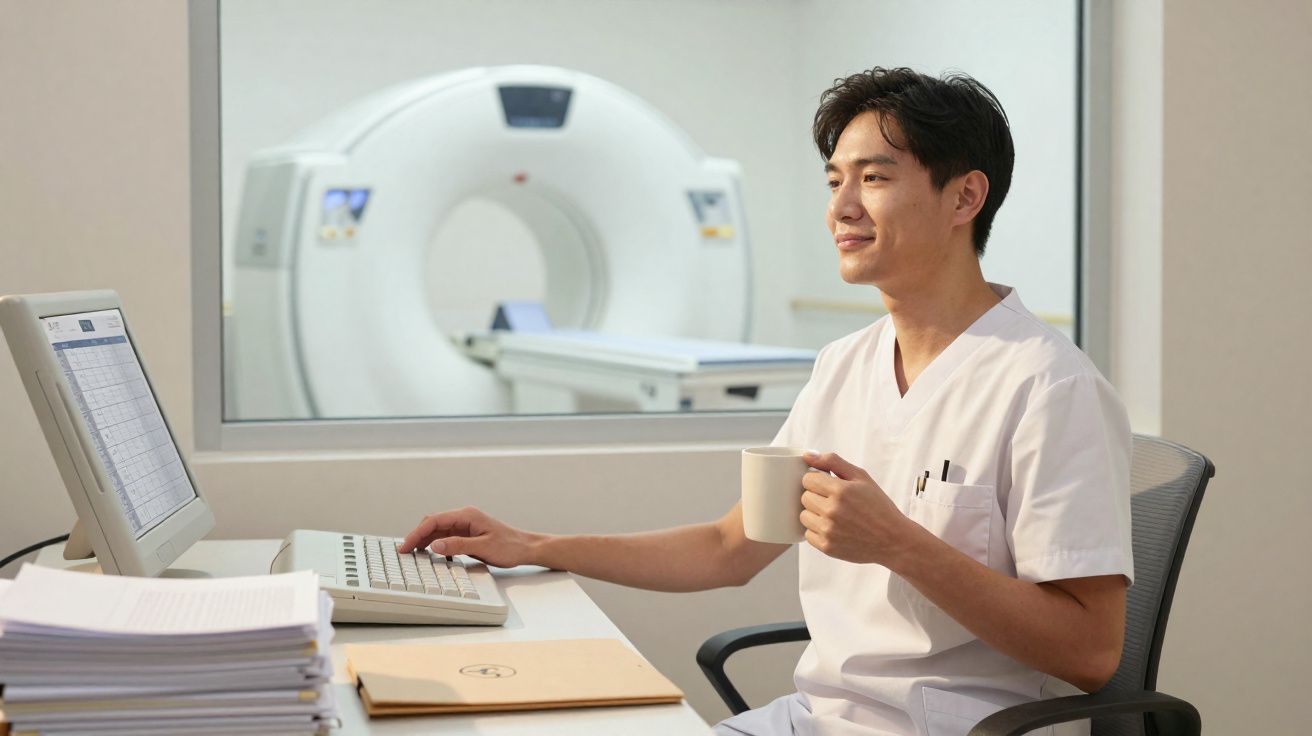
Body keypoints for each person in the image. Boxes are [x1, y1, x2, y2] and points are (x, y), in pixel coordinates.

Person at [399, 67, 1132, 736]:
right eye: (834, 181)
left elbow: (1091, 653)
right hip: (815, 720)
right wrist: (533, 547)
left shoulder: (1048, 388)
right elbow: (729, 547)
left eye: (873, 178)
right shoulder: (847, 365)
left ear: (964, 197)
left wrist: (899, 545)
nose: (842, 207)